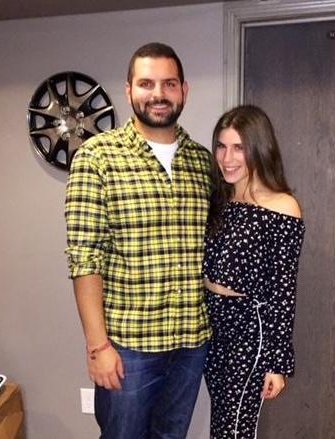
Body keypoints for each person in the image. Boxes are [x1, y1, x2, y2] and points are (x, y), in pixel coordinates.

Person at [65, 42, 212, 439]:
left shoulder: (203, 163)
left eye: (169, 83)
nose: (158, 93)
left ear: (184, 91)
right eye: (147, 83)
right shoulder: (97, 157)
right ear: (129, 90)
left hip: (190, 343)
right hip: (129, 347)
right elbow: (85, 259)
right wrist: (97, 347)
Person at [203, 105, 305, 438]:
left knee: (235, 429)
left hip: (249, 330)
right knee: (222, 422)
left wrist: (277, 363)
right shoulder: (219, 198)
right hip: (211, 326)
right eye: (221, 146)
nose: (227, 158)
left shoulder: (282, 206)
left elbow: (283, 291)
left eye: (239, 148)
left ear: (259, 148)